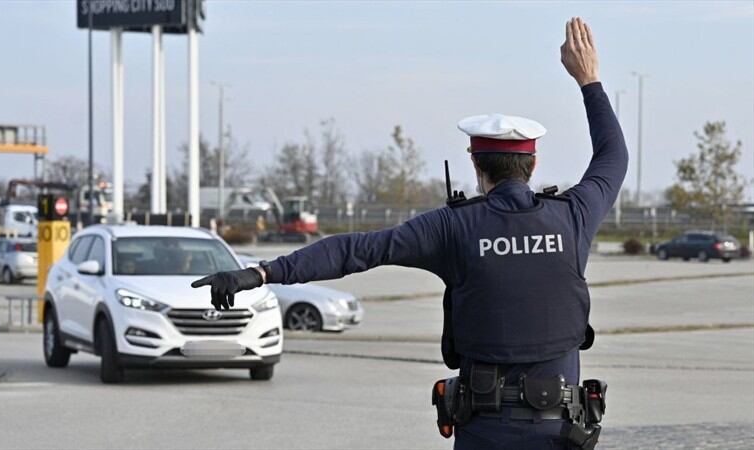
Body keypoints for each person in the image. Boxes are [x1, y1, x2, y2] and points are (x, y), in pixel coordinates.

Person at [192, 17, 627, 450]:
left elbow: (357, 250)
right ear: (533, 164)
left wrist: (262, 273)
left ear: (476, 164)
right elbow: (613, 156)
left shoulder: (452, 228)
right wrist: (589, 80)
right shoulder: (573, 217)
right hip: (558, 433)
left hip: (485, 433)